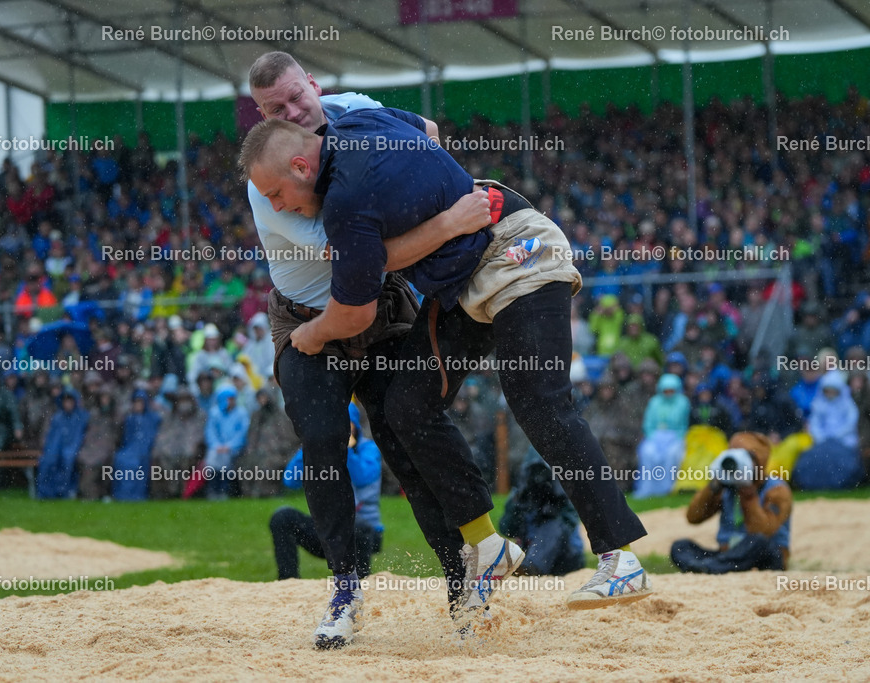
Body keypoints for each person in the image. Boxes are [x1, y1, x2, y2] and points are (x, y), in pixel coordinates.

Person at [240, 104, 651, 611]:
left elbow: (354, 313)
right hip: (462, 280)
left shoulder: (343, 204)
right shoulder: (358, 122)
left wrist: (309, 334)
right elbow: (429, 131)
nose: (277, 208)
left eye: (275, 194)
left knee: (540, 401)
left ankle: (620, 558)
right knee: (406, 405)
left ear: (302, 166)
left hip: (517, 249)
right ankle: (487, 545)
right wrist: (446, 217)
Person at [244, 51, 521, 647]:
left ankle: (467, 586)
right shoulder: (267, 181)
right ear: (262, 118)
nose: (293, 112)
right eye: (274, 108)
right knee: (323, 441)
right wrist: (448, 221)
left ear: (314, 84)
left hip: (382, 305)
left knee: (407, 433)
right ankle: (345, 590)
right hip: (311, 316)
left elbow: (428, 134)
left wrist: (411, 190)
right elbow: (359, 256)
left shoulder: (355, 110)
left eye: (296, 97)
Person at [270, 404, 383, 586]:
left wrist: (345, 447)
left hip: (363, 532)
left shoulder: (368, 449)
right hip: (327, 531)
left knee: (358, 527)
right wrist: (309, 446)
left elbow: (363, 477)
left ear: (353, 425)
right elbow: (290, 481)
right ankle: (288, 584)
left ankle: (359, 585)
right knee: (282, 517)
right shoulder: (319, 450)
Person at [671, 432, 792, 573]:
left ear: (759, 463)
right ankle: (708, 566)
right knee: (680, 547)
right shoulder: (728, 486)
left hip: (763, 557)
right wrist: (712, 489)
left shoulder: (776, 489)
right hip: (728, 555)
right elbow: (693, 517)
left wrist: (749, 497)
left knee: (759, 542)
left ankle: (708, 566)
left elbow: (764, 532)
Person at [499, 448, 585, 577]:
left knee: (553, 525)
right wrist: (517, 502)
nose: (539, 479)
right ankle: (527, 567)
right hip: (529, 551)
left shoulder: (562, 491)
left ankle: (531, 567)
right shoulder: (522, 494)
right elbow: (506, 529)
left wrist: (556, 500)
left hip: (564, 557)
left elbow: (570, 524)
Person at [792, 370, 864, 490]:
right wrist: (822, 437)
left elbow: (851, 422)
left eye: (833, 390)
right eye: (828, 390)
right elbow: (814, 423)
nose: (830, 393)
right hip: (822, 441)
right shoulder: (819, 403)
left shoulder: (847, 403)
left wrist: (836, 436)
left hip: (844, 441)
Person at [36, 387, 89, 499]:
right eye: (66, 401)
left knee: (68, 460)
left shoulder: (82, 417)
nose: (68, 404)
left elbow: (81, 436)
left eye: (70, 401)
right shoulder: (57, 417)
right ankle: (46, 492)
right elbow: (52, 437)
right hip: (56, 448)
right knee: (48, 460)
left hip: (74, 448)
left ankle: (64, 491)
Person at [111, 389, 160, 501]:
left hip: (144, 450)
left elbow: (150, 436)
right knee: (121, 459)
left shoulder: (152, 418)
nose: (138, 405)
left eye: (140, 402)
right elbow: (125, 437)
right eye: (136, 402)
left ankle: (137, 494)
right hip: (129, 449)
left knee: (138, 462)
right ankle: (122, 494)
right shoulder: (129, 419)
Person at [203, 386, 249, 500]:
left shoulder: (241, 413)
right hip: (217, 448)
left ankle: (223, 489)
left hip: (235, 448)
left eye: (233, 399)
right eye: (230, 399)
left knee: (225, 459)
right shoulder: (215, 413)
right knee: (213, 459)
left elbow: (242, 433)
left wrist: (230, 445)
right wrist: (216, 445)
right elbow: (210, 432)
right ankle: (214, 489)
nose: (232, 401)